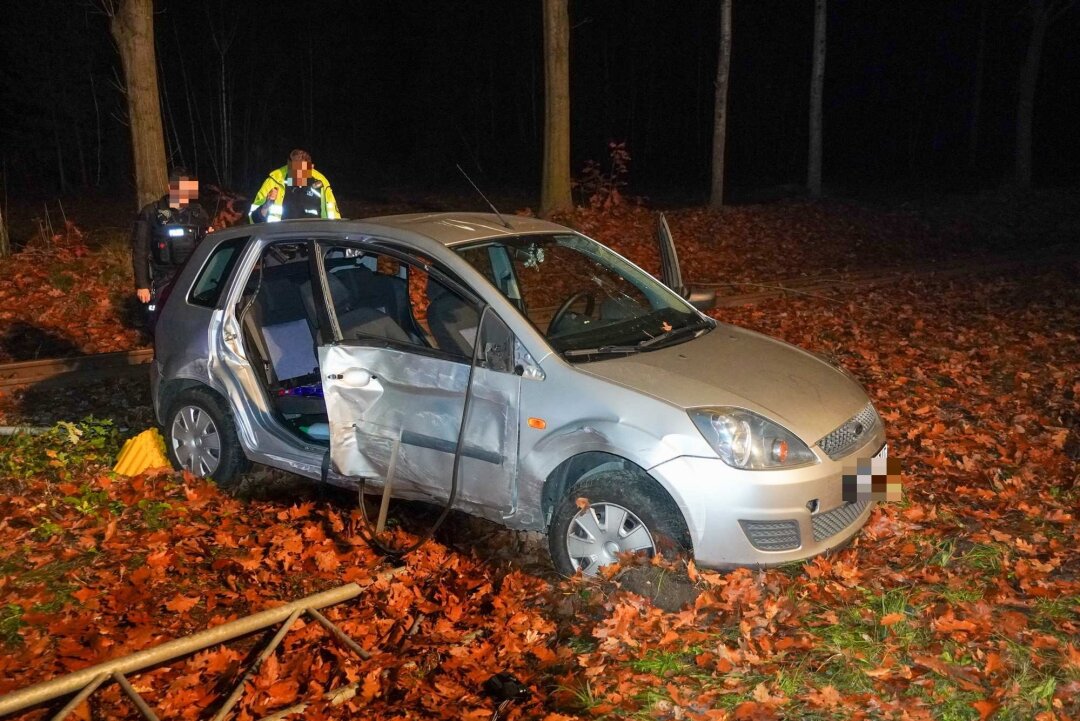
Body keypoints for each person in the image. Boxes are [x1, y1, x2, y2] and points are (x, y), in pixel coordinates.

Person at [132, 167, 211, 317]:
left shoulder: (198, 213)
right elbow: (140, 250)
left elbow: (207, 243)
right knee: (163, 315)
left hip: (193, 274)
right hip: (163, 277)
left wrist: (211, 235)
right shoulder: (151, 212)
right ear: (171, 187)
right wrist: (142, 285)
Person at [248, 149, 340, 223]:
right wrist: (266, 205)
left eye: (303, 171)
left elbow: (334, 220)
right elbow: (253, 221)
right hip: (278, 242)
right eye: (294, 171)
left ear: (311, 167)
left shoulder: (321, 184)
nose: (298, 175)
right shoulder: (274, 182)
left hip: (312, 242)